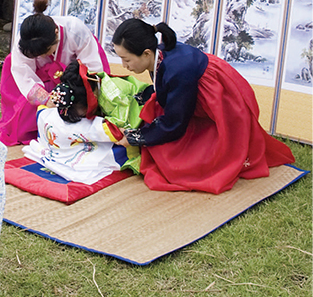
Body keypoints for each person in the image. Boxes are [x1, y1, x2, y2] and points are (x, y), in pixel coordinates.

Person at [111, 18, 295, 194]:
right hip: (193, 97)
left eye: (126, 60)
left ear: (146, 53)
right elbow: (167, 89)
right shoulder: (159, 56)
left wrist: (137, 138)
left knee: (174, 163)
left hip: (224, 105)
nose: (124, 65)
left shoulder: (177, 69)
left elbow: (174, 123)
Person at [0, 0, 110, 146]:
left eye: (46, 52)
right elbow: (23, 74)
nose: (41, 57)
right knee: (21, 128)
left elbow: (92, 67)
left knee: (82, 117)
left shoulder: (75, 29)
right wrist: (45, 100)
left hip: (75, 75)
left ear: (56, 33)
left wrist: (77, 90)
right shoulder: (25, 41)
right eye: (37, 55)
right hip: (41, 77)